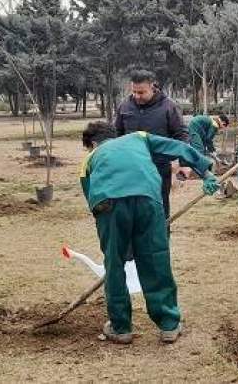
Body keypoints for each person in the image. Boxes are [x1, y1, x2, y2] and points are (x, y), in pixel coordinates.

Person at [80, 122, 219, 345]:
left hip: (108, 204)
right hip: (147, 198)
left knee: (114, 264)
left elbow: (92, 201)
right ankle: (169, 325)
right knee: (155, 258)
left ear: (93, 144)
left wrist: (118, 242)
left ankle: (120, 327)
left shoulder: (90, 159)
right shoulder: (139, 137)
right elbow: (179, 147)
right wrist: (207, 172)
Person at [115, 70, 189, 219]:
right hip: (130, 168)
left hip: (158, 168)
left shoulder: (168, 107)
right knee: (131, 211)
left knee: (158, 210)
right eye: (134, 92)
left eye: (141, 92)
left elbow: (181, 135)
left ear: (152, 87)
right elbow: (116, 134)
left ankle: (161, 240)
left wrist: (184, 163)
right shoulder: (125, 106)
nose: (137, 96)